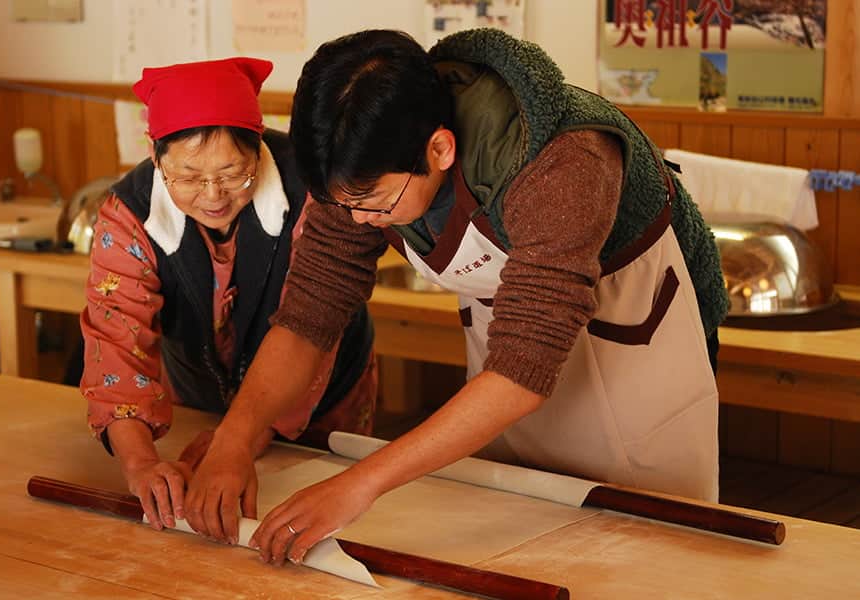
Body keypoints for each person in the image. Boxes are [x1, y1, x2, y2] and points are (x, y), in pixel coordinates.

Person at [185, 29, 729, 564]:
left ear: (440, 148)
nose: (356, 221)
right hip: (509, 356)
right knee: (522, 533)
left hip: (633, 339)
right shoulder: (355, 167)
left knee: (650, 546)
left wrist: (359, 484)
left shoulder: (563, 158)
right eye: (341, 203)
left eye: (373, 203)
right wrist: (234, 438)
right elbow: (310, 312)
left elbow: (522, 368)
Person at [79, 57, 376, 537]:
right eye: (189, 178)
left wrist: (239, 440)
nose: (213, 196)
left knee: (326, 524)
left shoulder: (316, 192)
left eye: (234, 173)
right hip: (198, 397)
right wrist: (140, 463)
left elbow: (312, 327)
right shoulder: (128, 213)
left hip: (318, 400)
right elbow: (116, 341)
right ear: (156, 158)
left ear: (259, 148)